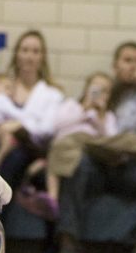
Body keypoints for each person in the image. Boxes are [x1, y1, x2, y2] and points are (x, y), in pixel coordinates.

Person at [57, 41, 136, 253]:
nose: (133, 66)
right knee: (75, 163)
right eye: (127, 60)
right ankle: (68, 246)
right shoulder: (105, 91)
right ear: (115, 65)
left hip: (133, 166)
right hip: (100, 162)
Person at [0, 30, 64, 224]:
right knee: (9, 156)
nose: (29, 56)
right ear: (17, 54)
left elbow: (47, 129)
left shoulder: (52, 95)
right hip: (2, 148)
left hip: (35, 151)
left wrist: (17, 125)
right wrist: (1, 130)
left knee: (18, 155)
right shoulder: (2, 87)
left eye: (35, 51)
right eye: (25, 50)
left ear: (42, 57)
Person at [36, 72, 118, 219]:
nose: (99, 93)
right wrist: (84, 109)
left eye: (105, 90)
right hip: (64, 149)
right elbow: (56, 125)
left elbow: (111, 141)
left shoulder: (109, 116)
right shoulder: (71, 106)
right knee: (61, 148)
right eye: (96, 88)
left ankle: (55, 203)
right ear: (86, 89)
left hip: (89, 153)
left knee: (78, 162)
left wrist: (100, 117)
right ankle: (52, 198)